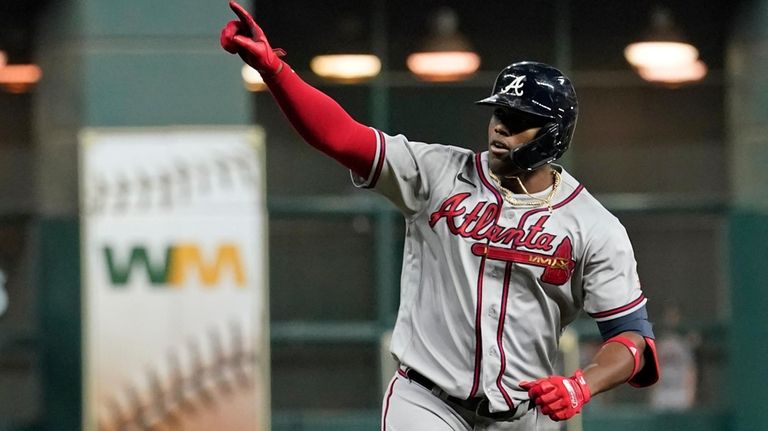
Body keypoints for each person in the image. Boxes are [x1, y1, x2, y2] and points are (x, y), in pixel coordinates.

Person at [220, 2, 659, 429]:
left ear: (554, 133)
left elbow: (631, 340)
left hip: (524, 417)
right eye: (498, 113)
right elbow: (341, 137)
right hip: (427, 404)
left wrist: (582, 384)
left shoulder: (593, 227)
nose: (500, 126)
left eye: (519, 118)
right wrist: (275, 72)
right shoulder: (436, 173)